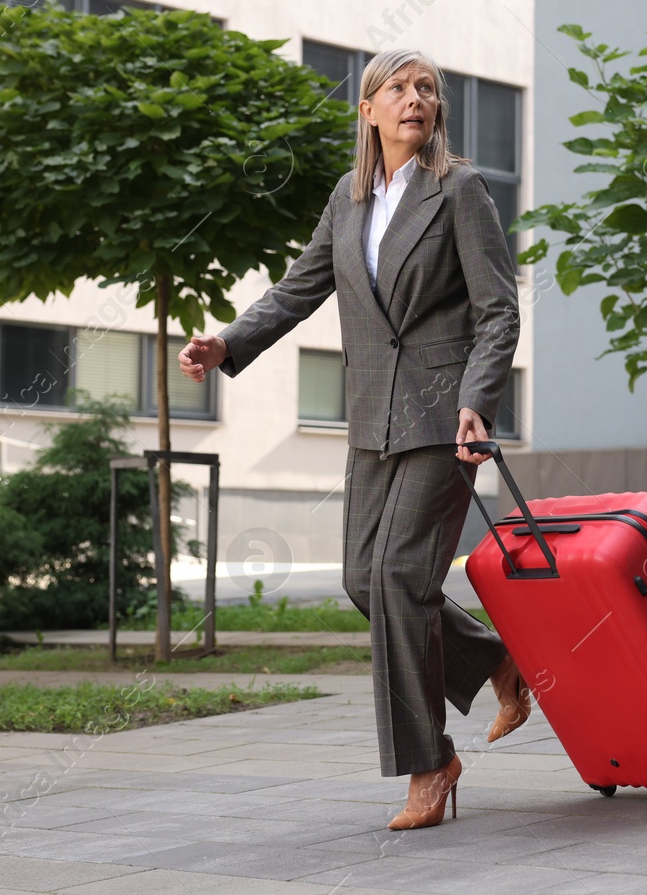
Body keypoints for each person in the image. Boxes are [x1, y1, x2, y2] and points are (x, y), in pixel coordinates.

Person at [178, 47, 529, 831]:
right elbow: (300, 286)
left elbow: (498, 310)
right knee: (362, 582)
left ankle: (429, 764)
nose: (416, 99)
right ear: (368, 108)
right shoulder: (349, 196)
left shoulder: (460, 190)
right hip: (372, 416)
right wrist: (227, 343)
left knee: (400, 577)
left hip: (444, 418)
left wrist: (479, 401)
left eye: (427, 89)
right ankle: (496, 659)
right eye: (398, 88)